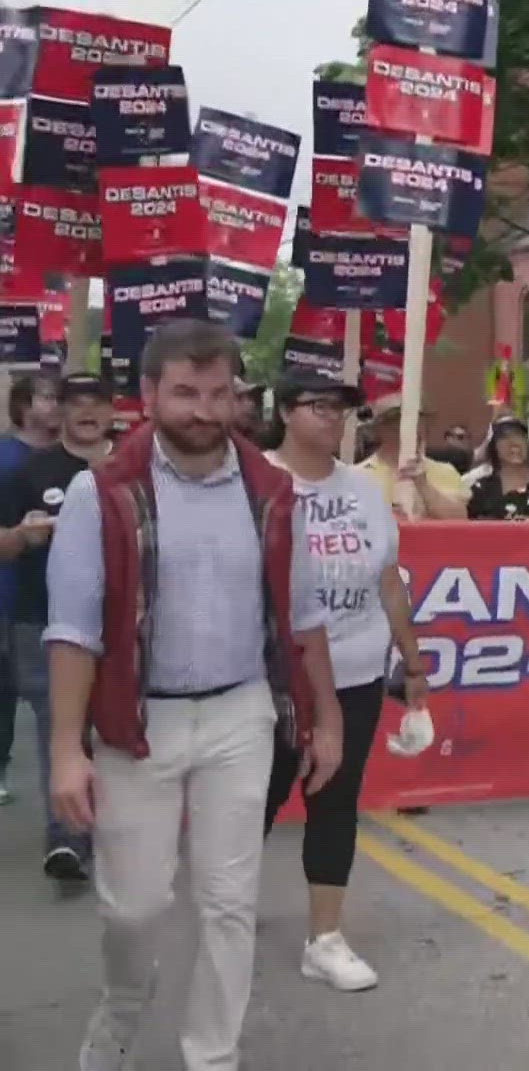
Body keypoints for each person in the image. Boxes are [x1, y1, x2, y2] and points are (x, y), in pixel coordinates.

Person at [43, 320, 346, 1071]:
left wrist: (329, 718)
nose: (204, 411)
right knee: (133, 909)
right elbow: (73, 632)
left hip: (241, 715)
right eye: (185, 393)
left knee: (228, 904)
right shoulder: (101, 493)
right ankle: (120, 1009)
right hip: (135, 724)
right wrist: (62, 752)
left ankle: (212, 1056)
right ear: (148, 396)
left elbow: (304, 620)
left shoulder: (273, 492)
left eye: (219, 394)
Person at [259, 370, 428, 992]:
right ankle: (216, 913)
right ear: (284, 409)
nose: (333, 419)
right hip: (273, 679)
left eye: (343, 410)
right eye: (319, 406)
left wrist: (411, 665)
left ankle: (325, 938)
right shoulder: (257, 481)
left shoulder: (361, 490)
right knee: (258, 803)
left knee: (334, 802)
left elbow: (389, 582)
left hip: (354, 677)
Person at [0, 372, 108, 879]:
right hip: (41, 617)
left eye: (97, 401)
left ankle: (123, 830)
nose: (87, 411)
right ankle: (66, 838)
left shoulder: (136, 467)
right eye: (75, 401)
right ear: (59, 411)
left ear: (112, 410)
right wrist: (22, 536)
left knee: (122, 729)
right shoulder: (29, 471)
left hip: (124, 619)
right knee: (58, 728)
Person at [0, 372, 58, 806]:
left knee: (48, 704)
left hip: (49, 599)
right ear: (22, 405)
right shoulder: (6, 457)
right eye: (47, 397)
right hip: (7, 591)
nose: (57, 404)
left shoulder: (69, 460)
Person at [358, 394, 469, 520]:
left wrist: (424, 486)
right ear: (379, 429)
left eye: (417, 418)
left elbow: (459, 520)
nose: (409, 425)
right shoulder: (357, 476)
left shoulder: (445, 471)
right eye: (395, 420)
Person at [466, 417, 529, 521]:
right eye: (504, 437)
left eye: (520, 436)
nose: (514, 443)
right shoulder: (479, 489)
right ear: (494, 446)